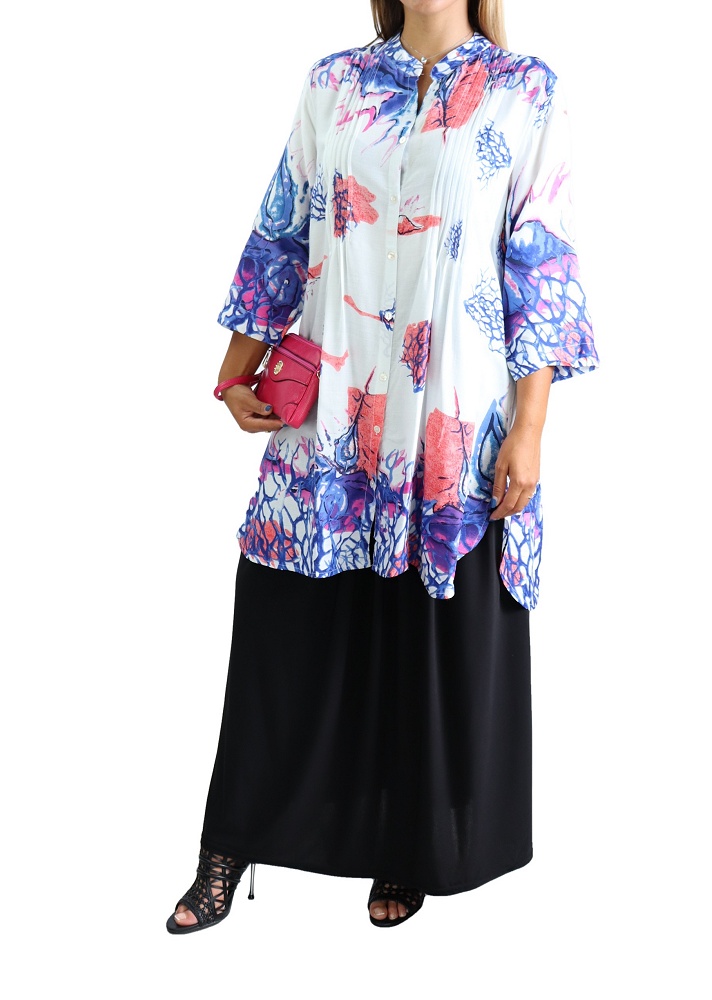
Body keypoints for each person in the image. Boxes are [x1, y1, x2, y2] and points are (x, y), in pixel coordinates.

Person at [167, 0, 599, 933]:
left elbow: (540, 265)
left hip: (452, 412)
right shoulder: (334, 83)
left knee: (423, 634)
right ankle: (226, 848)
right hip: (333, 406)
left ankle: (406, 847)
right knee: (283, 632)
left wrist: (531, 429)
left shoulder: (525, 92)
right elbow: (282, 230)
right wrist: (235, 370)